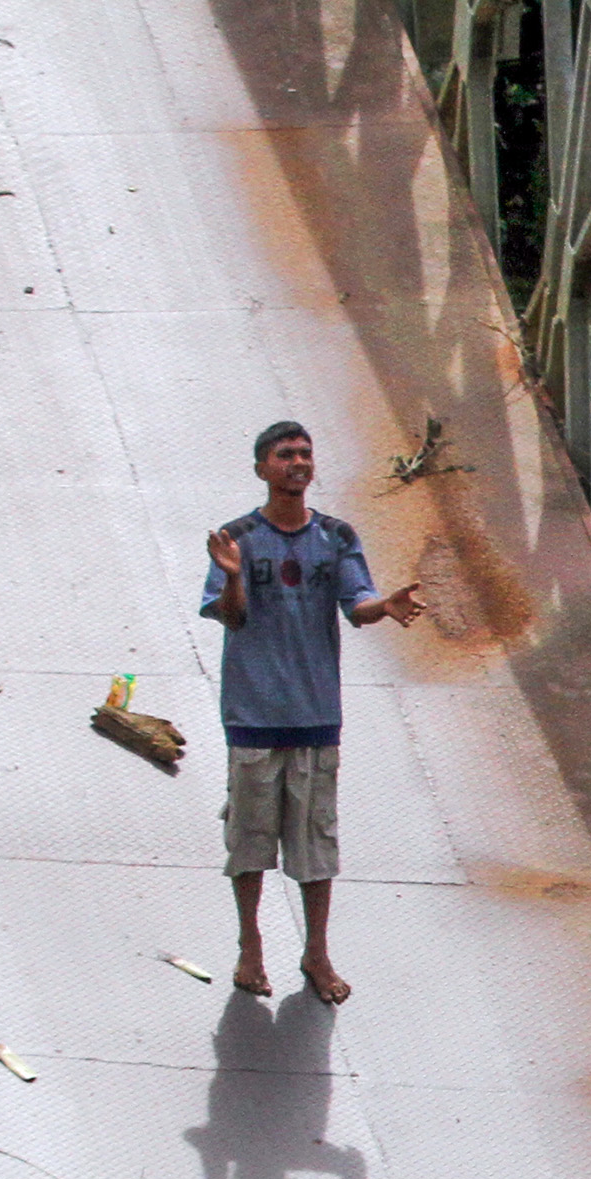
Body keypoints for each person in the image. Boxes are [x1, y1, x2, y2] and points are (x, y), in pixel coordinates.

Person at [199, 420, 425, 1005]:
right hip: (253, 714)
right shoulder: (238, 537)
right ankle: (251, 946)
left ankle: (316, 952)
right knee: (249, 840)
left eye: (304, 453)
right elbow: (230, 616)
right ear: (261, 469)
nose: (297, 462)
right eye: (284, 455)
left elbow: (358, 604)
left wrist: (386, 606)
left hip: (315, 715)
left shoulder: (335, 537)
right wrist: (231, 578)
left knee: (316, 844)